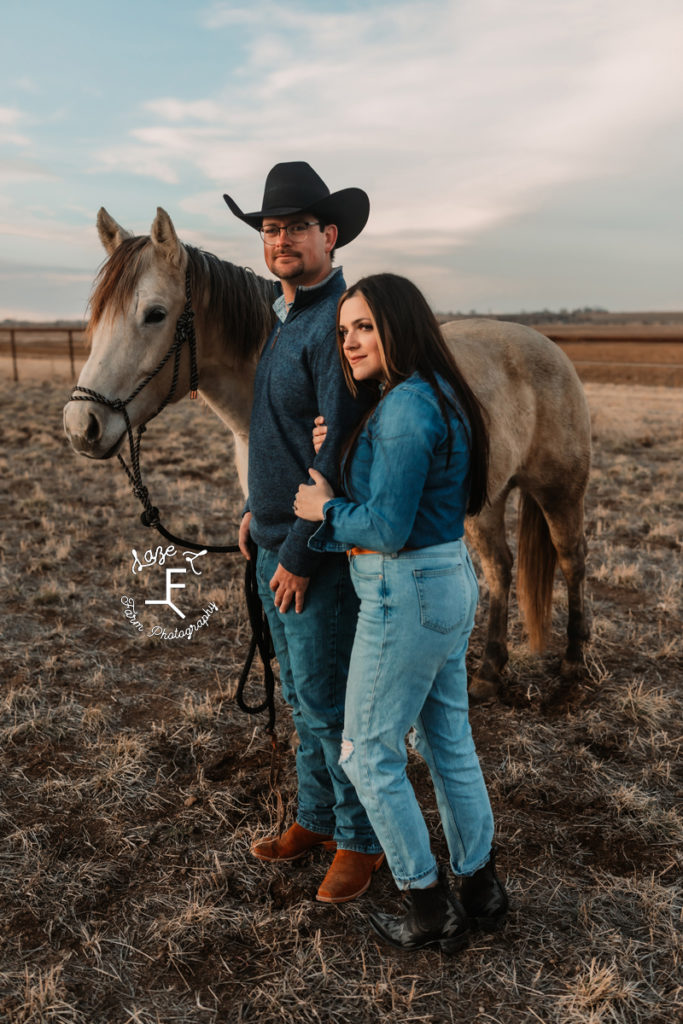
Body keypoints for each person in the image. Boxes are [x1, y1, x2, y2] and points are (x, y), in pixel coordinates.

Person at [294, 273, 509, 951]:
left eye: (364, 326)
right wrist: (350, 442)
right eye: (344, 330)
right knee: (446, 744)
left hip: (403, 588)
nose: (350, 341)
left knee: (365, 754)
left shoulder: (405, 409)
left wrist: (322, 508)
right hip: (447, 576)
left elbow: (384, 527)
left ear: (399, 324)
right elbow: (408, 492)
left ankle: (426, 904)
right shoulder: (435, 396)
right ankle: (480, 889)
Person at [223, 162, 384, 903]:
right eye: (270, 228)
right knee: (298, 697)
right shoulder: (283, 317)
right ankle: (315, 819)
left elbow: (336, 453)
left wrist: (295, 550)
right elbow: (285, 433)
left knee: (327, 703)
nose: (280, 239)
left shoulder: (336, 324)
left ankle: (360, 840)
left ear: (329, 234)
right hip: (275, 534)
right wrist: (260, 511)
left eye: (294, 227)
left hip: (312, 552)